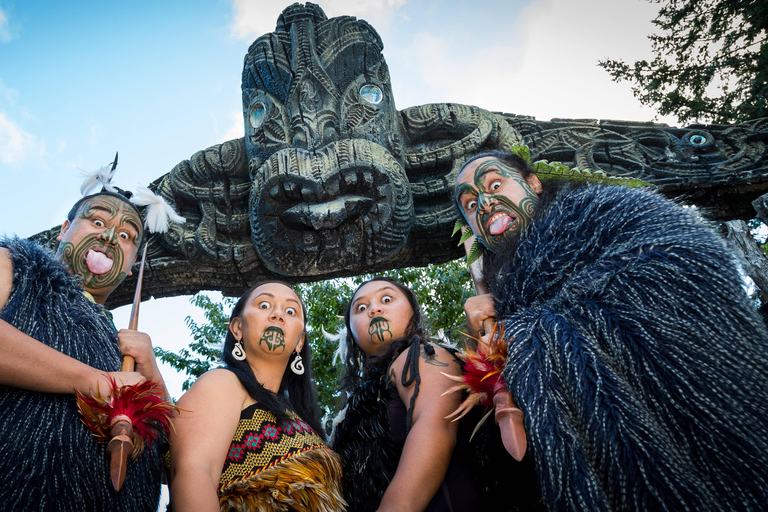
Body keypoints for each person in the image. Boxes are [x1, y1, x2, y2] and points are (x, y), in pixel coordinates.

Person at [455, 148, 768, 511]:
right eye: (472, 206)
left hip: (712, 429)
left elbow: (686, 258)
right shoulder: (501, 297)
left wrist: (526, 332)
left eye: (495, 183)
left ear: (534, 183)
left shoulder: (606, 213)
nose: (486, 203)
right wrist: (488, 343)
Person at [0, 189, 166, 510]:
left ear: (132, 265)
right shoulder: (16, 265)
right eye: (97, 220)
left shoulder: (127, 352)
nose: (109, 238)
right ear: (64, 230)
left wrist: (153, 372)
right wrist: (97, 381)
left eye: (126, 235)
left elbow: (176, 461)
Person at [332, 277, 538, 512]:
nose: (374, 309)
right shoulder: (360, 402)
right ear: (351, 333)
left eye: (386, 299)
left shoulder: (421, 354)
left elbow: (436, 424)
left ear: (414, 313)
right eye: (361, 307)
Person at [169, 281, 345, 512]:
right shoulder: (222, 383)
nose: (278, 315)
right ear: (237, 328)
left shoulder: (301, 418)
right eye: (264, 305)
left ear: (300, 341)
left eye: (290, 311)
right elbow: (193, 473)